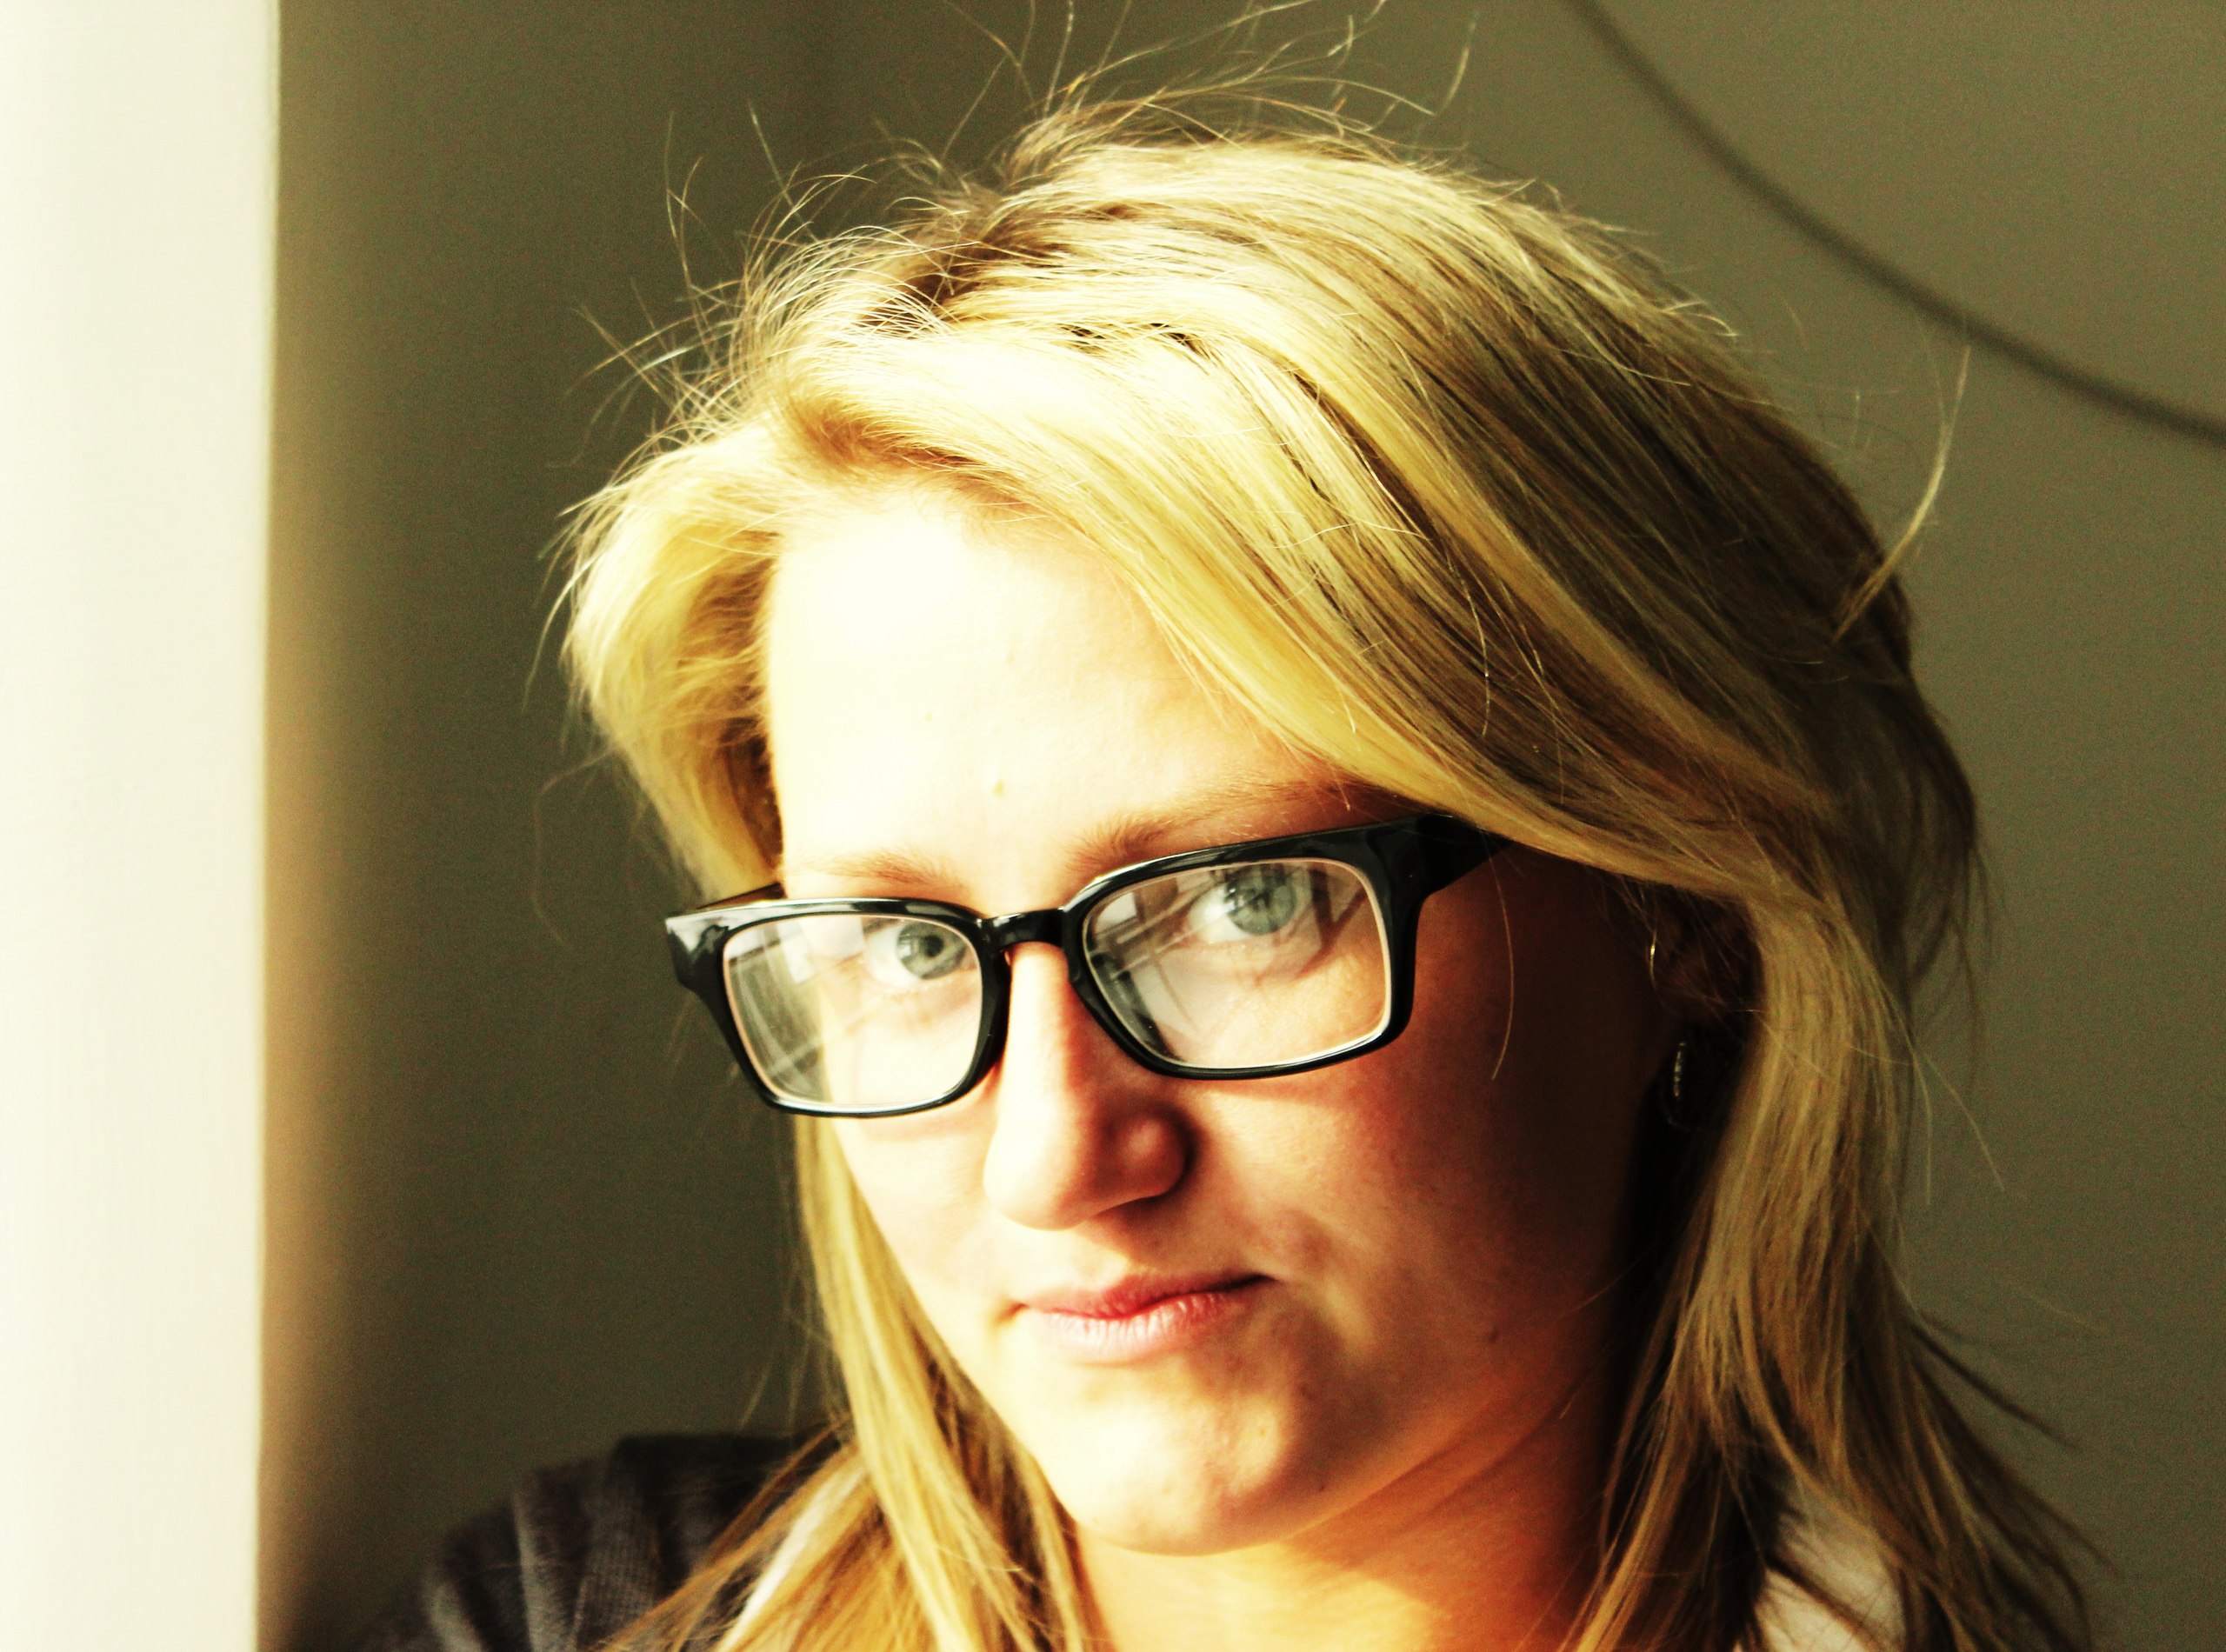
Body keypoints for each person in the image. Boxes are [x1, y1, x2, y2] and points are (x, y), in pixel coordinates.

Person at [366, 97, 2092, 1652]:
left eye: (1244, 903)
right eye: (905, 947)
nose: (1055, 1159)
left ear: (1684, 909)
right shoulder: (573, 1619)